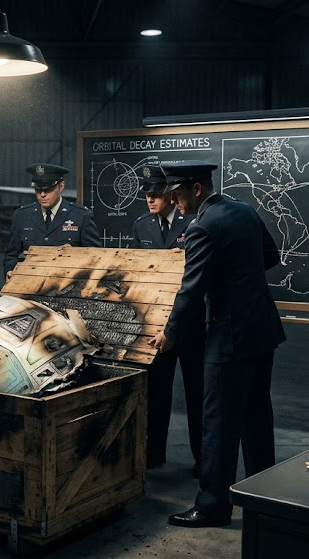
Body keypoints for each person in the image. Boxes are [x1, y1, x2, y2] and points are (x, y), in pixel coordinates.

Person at [150, 160, 286, 528]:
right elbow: (270, 257)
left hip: (228, 337)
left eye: (177, 195)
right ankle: (264, 497)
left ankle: (211, 506)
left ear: (196, 189)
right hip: (262, 330)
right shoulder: (244, 211)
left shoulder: (202, 228)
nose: (175, 202)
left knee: (217, 423)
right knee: (257, 417)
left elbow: (191, 290)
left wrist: (171, 333)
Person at [131, 164, 204, 477]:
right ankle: (153, 453)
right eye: (146, 194)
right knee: (156, 393)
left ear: (171, 195)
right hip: (155, 325)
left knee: (197, 393)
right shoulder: (141, 226)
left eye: (156, 193)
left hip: (190, 324)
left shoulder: (195, 223)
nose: (150, 199)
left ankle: (203, 460)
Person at [3, 163, 101, 280]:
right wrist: (9, 270)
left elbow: (95, 258)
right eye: (38, 190)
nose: (42, 194)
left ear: (61, 186)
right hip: (29, 285)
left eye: (48, 189)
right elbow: (11, 255)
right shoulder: (22, 216)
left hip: (66, 286)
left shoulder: (81, 216)